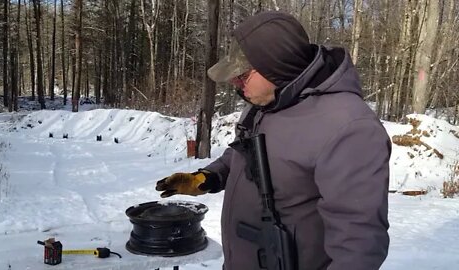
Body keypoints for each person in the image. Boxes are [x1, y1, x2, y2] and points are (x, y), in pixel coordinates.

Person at [156, 11, 391, 270]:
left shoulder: (348, 127)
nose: (235, 81)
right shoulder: (268, 102)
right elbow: (246, 153)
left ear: (277, 67)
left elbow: (359, 247)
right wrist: (208, 177)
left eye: (244, 74)